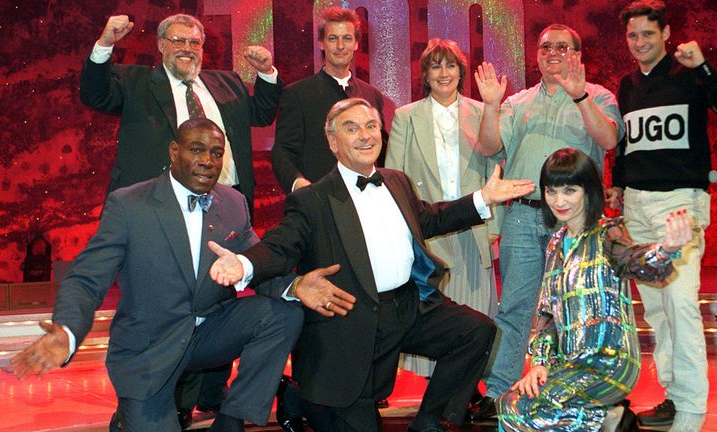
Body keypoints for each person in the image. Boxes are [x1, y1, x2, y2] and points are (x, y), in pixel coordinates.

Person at [208, 98, 536, 432]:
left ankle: (428, 421)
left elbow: (428, 218)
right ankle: (299, 393)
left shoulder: (395, 181)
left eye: (370, 126)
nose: (365, 136)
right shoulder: (313, 199)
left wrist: (483, 198)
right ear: (334, 143)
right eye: (351, 129)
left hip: (408, 306)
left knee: (476, 330)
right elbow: (280, 246)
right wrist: (245, 264)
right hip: (352, 317)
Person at [10, 118, 303, 432]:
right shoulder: (130, 205)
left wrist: (296, 286)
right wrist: (66, 332)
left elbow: (257, 264)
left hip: (209, 332)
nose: (207, 161)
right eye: (197, 150)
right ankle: (127, 419)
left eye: (216, 153)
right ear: (174, 152)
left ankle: (230, 421)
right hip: (149, 345)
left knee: (283, 314)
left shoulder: (232, 203)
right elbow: (87, 278)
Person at [470, 23, 625, 419]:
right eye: (545, 46)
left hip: (576, 220)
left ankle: (570, 391)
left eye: (562, 46)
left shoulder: (599, 95)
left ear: (577, 54)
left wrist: (580, 95)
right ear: (535, 54)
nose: (552, 52)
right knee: (515, 307)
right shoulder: (518, 101)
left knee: (576, 308)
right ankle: (499, 393)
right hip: (523, 216)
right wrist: (490, 105)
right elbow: (489, 146)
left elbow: (608, 141)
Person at [606, 1, 717, 430]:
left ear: (665, 34)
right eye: (633, 36)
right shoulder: (627, 86)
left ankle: (690, 410)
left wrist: (704, 66)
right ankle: (672, 394)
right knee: (657, 311)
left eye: (648, 33)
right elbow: (629, 146)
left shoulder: (689, 73)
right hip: (638, 207)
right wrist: (619, 183)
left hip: (680, 206)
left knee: (681, 304)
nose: (640, 42)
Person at [497, 148, 693, 432]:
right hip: (570, 365)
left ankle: (607, 419)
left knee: (533, 415)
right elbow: (547, 315)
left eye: (569, 190)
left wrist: (666, 250)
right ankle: (608, 420)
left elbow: (634, 261)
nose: (559, 201)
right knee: (509, 406)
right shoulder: (555, 244)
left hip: (609, 363)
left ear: (588, 191)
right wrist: (539, 364)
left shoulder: (607, 233)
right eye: (551, 191)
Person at [385, 38, 502, 380]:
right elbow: (396, 176)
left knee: (477, 307)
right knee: (436, 311)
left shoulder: (483, 112)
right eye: (435, 66)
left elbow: (495, 171)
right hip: (429, 229)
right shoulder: (406, 116)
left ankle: (469, 386)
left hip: (477, 224)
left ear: (461, 71)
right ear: (425, 74)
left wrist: (496, 226)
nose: (444, 73)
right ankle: (439, 386)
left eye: (450, 65)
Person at [80, 13, 282, 207]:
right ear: (161, 45)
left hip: (227, 199)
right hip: (157, 201)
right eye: (178, 41)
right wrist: (105, 44)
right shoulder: (135, 81)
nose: (187, 48)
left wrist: (266, 72)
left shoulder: (227, 82)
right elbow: (95, 96)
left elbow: (261, 114)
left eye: (194, 43)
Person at [271, 6, 386, 193]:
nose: (340, 46)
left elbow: (381, 152)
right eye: (333, 38)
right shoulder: (296, 94)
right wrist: (299, 184)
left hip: (367, 199)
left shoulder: (372, 95)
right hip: (319, 202)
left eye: (347, 38)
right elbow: (283, 152)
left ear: (356, 43)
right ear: (321, 43)